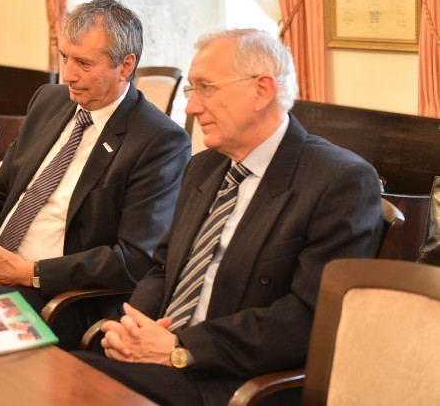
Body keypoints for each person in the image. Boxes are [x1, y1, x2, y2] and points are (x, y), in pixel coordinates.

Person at [72, 29, 384, 406]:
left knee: (64, 381)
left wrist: (182, 348)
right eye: (191, 90)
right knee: (54, 373)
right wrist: (134, 327)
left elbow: (307, 317)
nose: (191, 108)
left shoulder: (339, 180)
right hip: (159, 363)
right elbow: (164, 267)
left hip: (233, 384)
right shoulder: (204, 167)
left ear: (261, 91)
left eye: (206, 88)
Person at [0, 0, 192, 349]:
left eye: (84, 63)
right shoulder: (49, 100)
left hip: (62, 299)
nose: (68, 75)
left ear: (126, 65)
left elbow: (134, 259)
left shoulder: (158, 140)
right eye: (65, 57)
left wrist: (30, 273)